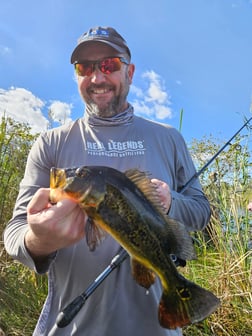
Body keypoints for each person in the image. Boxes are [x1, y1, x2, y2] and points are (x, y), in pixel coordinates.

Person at [4, 26, 211, 336]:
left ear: (129, 71)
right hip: (72, 327)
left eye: (109, 65)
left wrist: (171, 202)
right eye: (84, 67)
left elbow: (201, 211)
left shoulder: (169, 138)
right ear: (76, 75)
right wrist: (39, 240)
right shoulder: (51, 143)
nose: (97, 78)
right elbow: (14, 235)